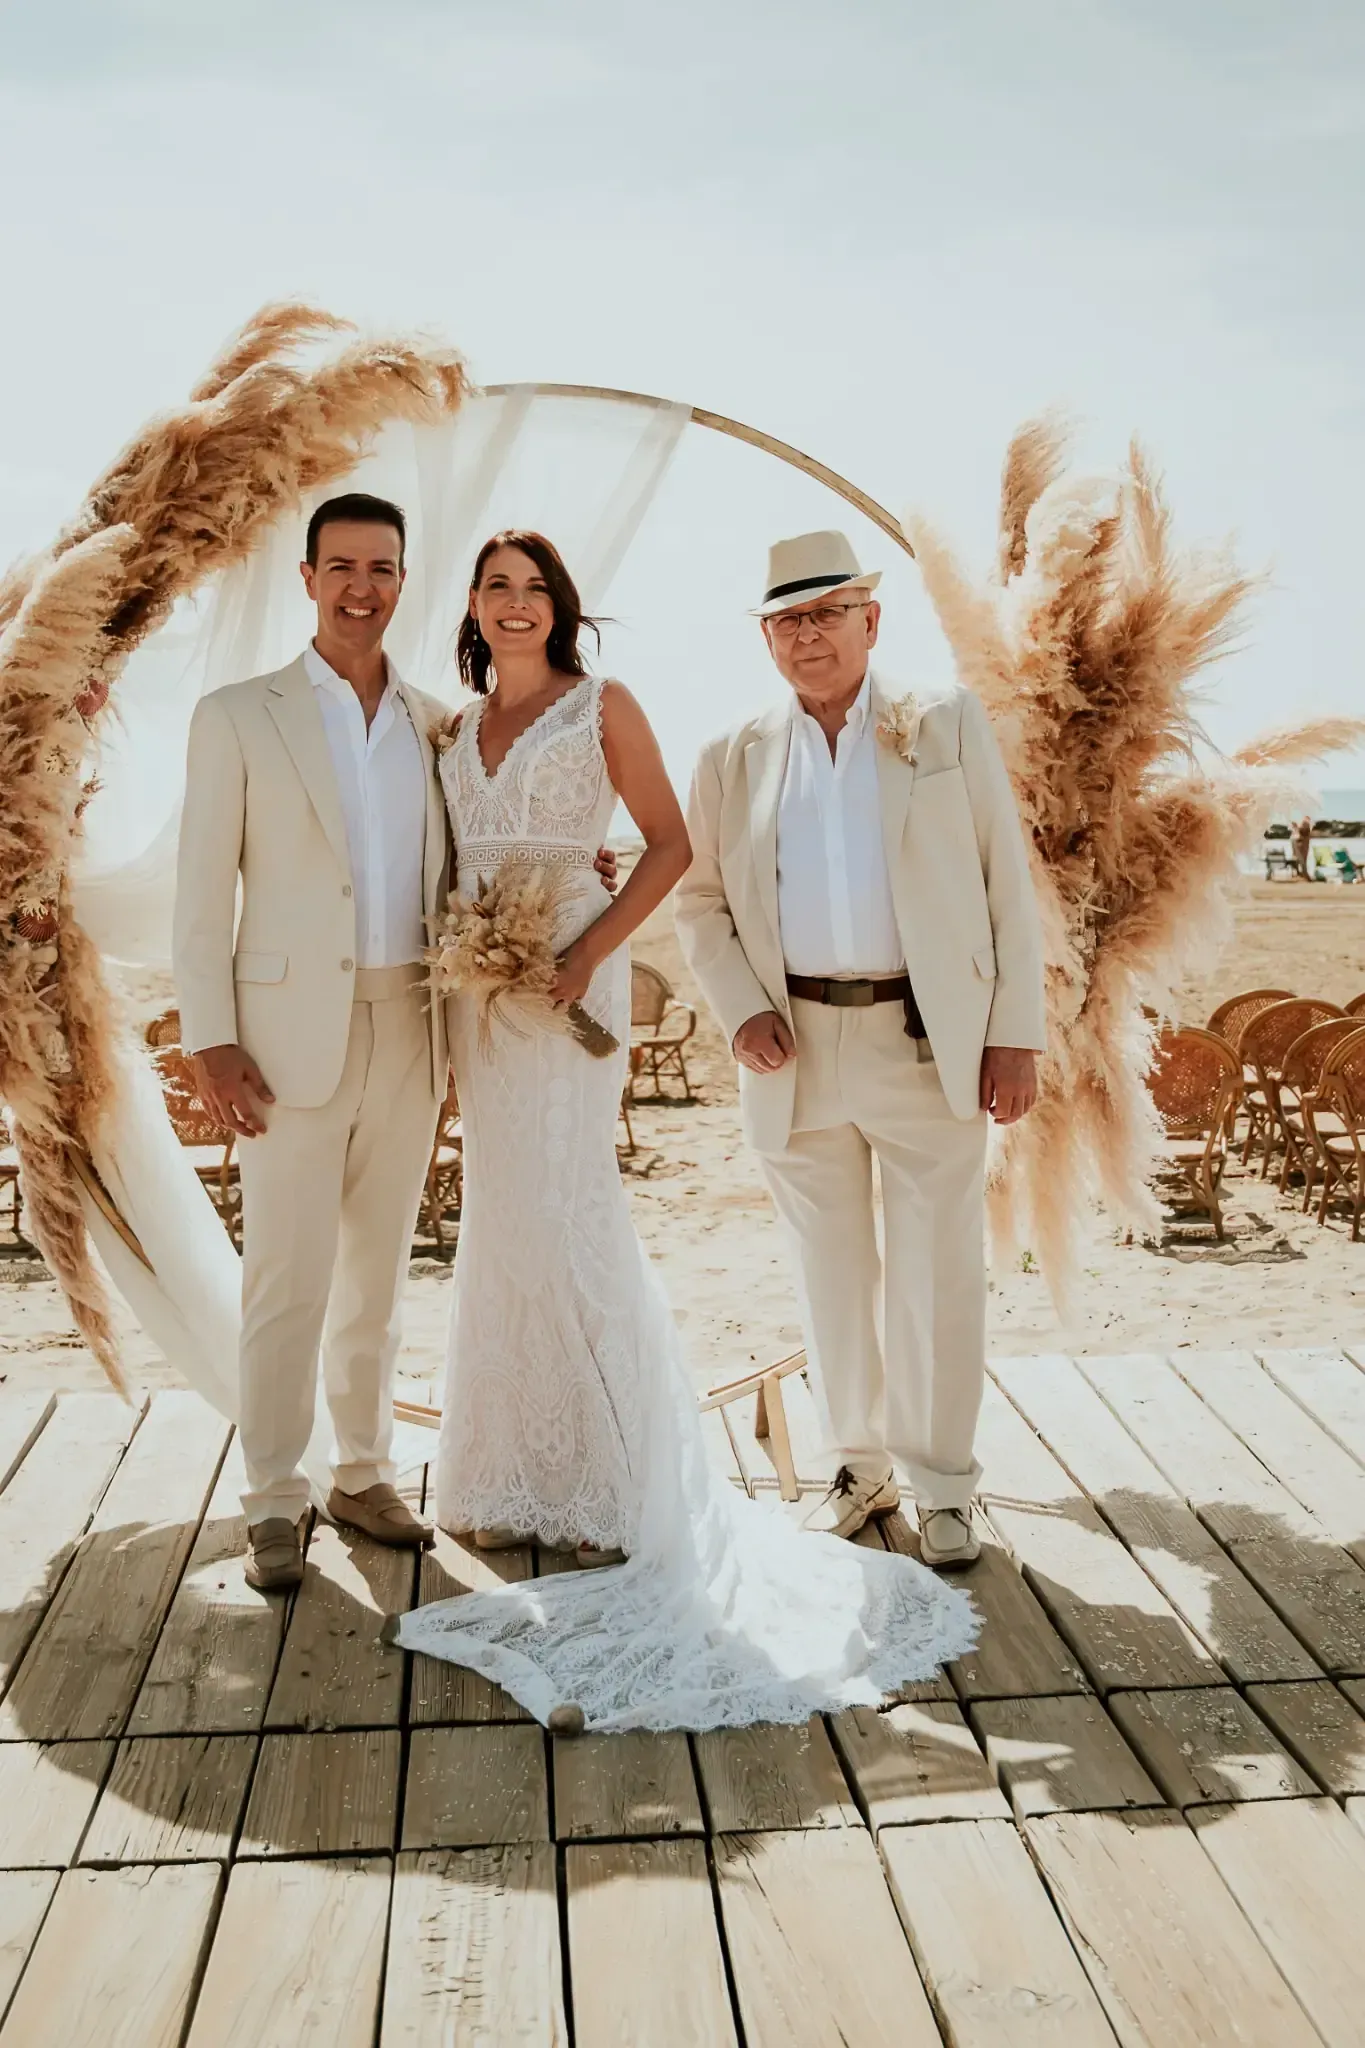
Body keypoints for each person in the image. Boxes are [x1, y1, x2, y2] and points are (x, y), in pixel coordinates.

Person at [395, 531, 979, 1729]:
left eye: (536, 588)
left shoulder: (605, 706)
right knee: (502, 1210)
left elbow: (669, 849)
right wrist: (470, 964)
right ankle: (507, 1471)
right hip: (479, 991)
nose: (516, 604)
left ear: (564, 606)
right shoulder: (449, 730)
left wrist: (585, 952)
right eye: (495, 586)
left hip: (574, 976)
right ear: (472, 604)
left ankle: (617, 1476)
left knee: (569, 1204)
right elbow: (440, 855)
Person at [173, 492, 617, 1592]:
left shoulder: (434, 721)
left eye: (381, 568)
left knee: (379, 1271)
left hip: (413, 1026)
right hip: (280, 1042)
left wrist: (582, 878)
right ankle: (274, 1494)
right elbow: (198, 897)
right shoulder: (238, 714)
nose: (360, 586)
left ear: (406, 583)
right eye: (341, 566)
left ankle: (362, 1473)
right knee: (286, 1273)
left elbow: (492, 845)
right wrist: (211, 1038)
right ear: (310, 577)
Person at [675, 530, 1046, 1568]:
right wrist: (740, 1006)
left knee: (937, 1270)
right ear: (767, 639)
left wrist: (1015, 1032)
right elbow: (698, 899)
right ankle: (859, 1463)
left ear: (870, 622)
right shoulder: (730, 753)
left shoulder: (945, 723)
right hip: (790, 1046)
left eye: (828, 612)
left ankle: (944, 1485)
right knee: (828, 1268)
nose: (808, 634)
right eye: (788, 619)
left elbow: (1002, 885)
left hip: (928, 1038)